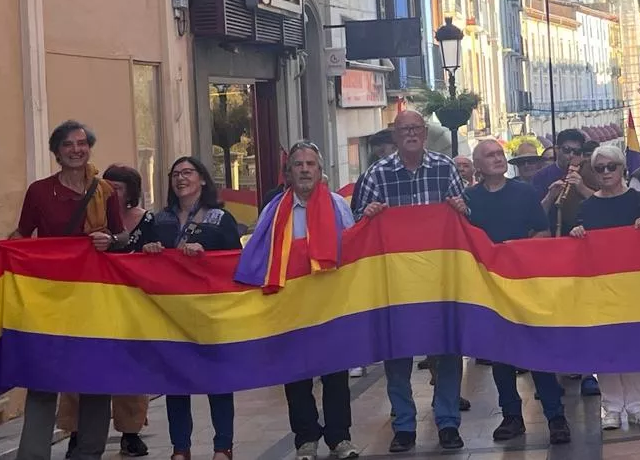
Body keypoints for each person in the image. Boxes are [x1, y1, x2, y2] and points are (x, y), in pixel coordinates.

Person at [351, 110, 472, 453]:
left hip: (439, 279)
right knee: (397, 353)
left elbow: (465, 213)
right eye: (404, 129)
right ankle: (403, 425)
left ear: (424, 132)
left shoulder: (445, 168)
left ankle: (448, 421)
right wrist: (368, 215)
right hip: (397, 283)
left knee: (447, 348)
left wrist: (463, 207)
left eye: (416, 128)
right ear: (395, 134)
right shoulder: (378, 173)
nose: (411, 134)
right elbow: (359, 225)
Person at [239, 142, 360, 460]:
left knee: (335, 376)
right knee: (295, 376)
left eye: (311, 164)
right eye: (298, 165)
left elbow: (353, 252)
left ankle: (340, 438)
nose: (305, 169)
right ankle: (306, 439)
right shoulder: (274, 211)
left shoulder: (337, 206)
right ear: (288, 173)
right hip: (291, 311)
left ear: (321, 172)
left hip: (330, 307)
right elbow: (258, 255)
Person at [12, 121, 123, 460]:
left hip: (94, 298)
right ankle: (32, 455)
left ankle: (87, 453)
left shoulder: (106, 191)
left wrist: (112, 241)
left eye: (82, 143)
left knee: (94, 379)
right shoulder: (39, 192)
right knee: (43, 380)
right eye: (67, 145)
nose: (76, 149)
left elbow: (121, 238)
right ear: (56, 152)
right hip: (50, 299)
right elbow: (21, 235)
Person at [127, 158, 241, 460]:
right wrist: (148, 251)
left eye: (188, 172)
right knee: (175, 381)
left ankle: (223, 447)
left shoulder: (221, 218)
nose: (181, 178)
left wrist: (207, 256)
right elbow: (131, 254)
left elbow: (235, 262)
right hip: (170, 316)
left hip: (210, 313)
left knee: (218, 380)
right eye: (175, 174)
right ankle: (180, 448)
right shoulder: (156, 220)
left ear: (202, 179)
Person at [462, 140, 572, 446]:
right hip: (490, 288)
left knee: (537, 351)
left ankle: (556, 416)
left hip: (525, 285)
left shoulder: (523, 193)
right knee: (501, 356)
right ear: (478, 166)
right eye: (490, 156)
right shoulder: (468, 200)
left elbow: (543, 232)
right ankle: (511, 416)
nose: (497, 159)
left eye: (499, 154)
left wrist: (515, 253)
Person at [568, 144, 640, 430]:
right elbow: (576, 250)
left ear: (622, 168)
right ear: (594, 173)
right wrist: (576, 233)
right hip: (601, 290)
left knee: (635, 346)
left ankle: (637, 406)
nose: (606, 172)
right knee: (606, 347)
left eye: (612, 166)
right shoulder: (586, 207)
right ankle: (611, 408)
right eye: (600, 168)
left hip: (635, 287)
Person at [62, 165, 151, 456]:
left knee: (129, 369)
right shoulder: (90, 216)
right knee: (79, 367)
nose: (111, 192)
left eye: (119, 187)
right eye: (107, 186)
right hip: (88, 302)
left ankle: (130, 430)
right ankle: (75, 430)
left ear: (132, 191)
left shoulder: (146, 221)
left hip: (129, 306)